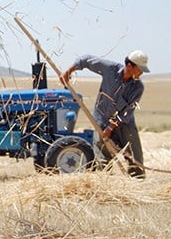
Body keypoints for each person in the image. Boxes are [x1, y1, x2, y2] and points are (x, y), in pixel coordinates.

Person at [60, 50, 149, 178]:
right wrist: (69, 71)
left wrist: (111, 127)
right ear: (130, 66)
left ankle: (138, 183)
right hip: (101, 121)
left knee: (135, 158)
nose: (140, 73)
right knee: (102, 158)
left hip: (124, 124)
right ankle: (105, 184)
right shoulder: (110, 69)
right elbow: (86, 58)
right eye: (139, 70)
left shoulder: (138, 87)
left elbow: (127, 112)